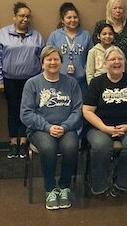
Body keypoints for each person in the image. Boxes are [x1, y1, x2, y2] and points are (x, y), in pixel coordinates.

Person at [20, 46, 83, 210]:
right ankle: (50, 188)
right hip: (39, 130)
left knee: (70, 146)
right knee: (48, 147)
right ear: (42, 63)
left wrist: (65, 126)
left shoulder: (71, 83)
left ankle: (64, 187)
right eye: (49, 59)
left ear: (61, 62)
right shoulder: (32, 84)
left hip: (66, 128)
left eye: (56, 59)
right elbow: (26, 113)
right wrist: (47, 127)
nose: (53, 62)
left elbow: (78, 110)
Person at [83, 46, 127, 196]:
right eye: (112, 59)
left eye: (120, 59)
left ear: (125, 62)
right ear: (105, 63)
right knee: (101, 146)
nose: (117, 62)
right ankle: (99, 185)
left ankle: (121, 182)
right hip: (100, 127)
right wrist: (105, 128)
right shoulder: (97, 83)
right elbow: (87, 110)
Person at [0, 2, 44, 159]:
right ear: (14, 17)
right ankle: (13, 142)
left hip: (31, 81)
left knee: (28, 111)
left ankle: (24, 142)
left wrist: (41, 80)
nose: (25, 19)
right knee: (13, 111)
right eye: (21, 16)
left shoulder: (36, 36)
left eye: (27, 16)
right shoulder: (3, 34)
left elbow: (43, 59)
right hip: (10, 80)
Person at [47, 2, 93, 96]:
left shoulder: (85, 35)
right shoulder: (55, 36)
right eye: (69, 17)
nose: (73, 20)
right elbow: (47, 57)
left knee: (80, 108)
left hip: (81, 82)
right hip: (59, 81)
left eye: (75, 17)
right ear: (62, 20)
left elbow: (91, 57)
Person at [92, 0, 127, 75]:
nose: (118, 11)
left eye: (120, 8)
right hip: (107, 71)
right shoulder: (101, 25)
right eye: (114, 8)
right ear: (109, 10)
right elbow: (97, 49)